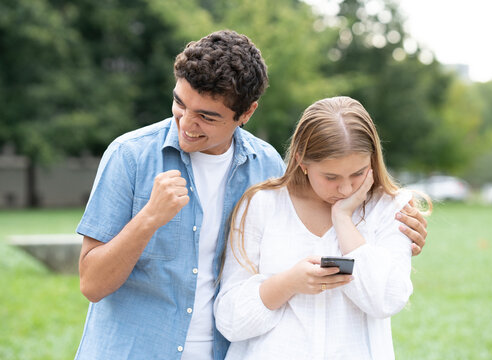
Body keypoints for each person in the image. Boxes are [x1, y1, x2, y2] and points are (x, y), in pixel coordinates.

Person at [75, 30, 428, 360]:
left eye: (206, 117)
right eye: (179, 103)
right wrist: (149, 218)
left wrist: (392, 234)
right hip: (134, 350)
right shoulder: (130, 156)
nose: (185, 123)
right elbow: (91, 284)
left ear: (246, 113)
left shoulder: (266, 166)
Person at [214, 96, 432, 360]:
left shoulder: (391, 207)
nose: (346, 189)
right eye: (331, 177)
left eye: (358, 173)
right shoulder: (262, 205)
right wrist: (288, 283)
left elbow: (387, 299)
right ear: (302, 162)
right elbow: (229, 320)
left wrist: (343, 219)